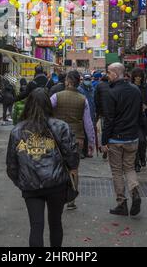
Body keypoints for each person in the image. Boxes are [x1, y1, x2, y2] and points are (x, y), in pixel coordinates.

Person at [6, 88, 79, 247]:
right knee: (55, 223)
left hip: (31, 186)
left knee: (36, 227)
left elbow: (11, 165)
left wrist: (22, 181)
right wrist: (71, 170)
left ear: (29, 104)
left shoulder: (17, 130)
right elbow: (72, 154)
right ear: (48, 104)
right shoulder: (61, 126)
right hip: (56, 184)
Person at [101, 63, 144, 217]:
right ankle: (135, 192)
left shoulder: (110, 92)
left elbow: (109, 119)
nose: (107, 75)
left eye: (108, 73)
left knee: (117, 171)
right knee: (130, 168)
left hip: (115, 139)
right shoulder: (135, 90)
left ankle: (122, 203)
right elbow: (140, 114)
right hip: (132, 137)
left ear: (114, 73)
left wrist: (104, 141)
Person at [50, 70, 95, 209]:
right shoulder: (83, 100)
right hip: (77, 138)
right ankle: (71, 199)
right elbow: (88, 123)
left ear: (68, 81)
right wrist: (92, 142)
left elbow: (46, 112)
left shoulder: (56, 96)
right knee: (73, 168)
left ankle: (56, 196)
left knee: (56, 166)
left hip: (58, 136)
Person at [131, 68, 147, 172]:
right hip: (133, 118)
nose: (138, 78)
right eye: (136, 76)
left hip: (143, 117)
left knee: (143, 141)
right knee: (135, 142)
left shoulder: (146, 87)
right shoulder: (130, 87)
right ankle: (136, 163)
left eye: (140, 76)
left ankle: (143, 157)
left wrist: (146, 106)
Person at [78, 74, 96, 157]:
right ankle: (82, 151)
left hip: (91, 113)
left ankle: (88, 150)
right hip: (82, 113)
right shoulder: (80, 89)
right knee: (82, 132)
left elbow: (94, 101)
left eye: (89, 79)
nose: (87, 81)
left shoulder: (92, 89)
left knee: (89, 132)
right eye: (86, 79)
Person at [94, 74, 110, 159]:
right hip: (111, 112)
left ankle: (104, 146)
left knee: (102, 130)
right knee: (109, 129)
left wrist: (97, 111)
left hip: (102, 112)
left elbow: (96, 99)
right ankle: (108, 145)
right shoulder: (112, 85)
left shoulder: (98, 86)